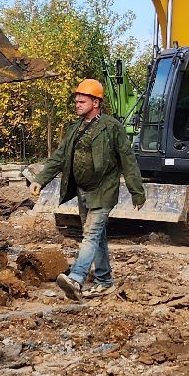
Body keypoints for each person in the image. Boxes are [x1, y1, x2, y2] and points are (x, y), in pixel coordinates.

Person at [32, 78, 147, 300]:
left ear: (96, 102)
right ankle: (104, 281)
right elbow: (59, 157)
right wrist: (41, 179)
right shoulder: (75, 128)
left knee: (91, 235)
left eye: (82, 100)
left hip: (103, 191)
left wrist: (137, 191)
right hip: (83, 191)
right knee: (98, 237)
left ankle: (76, 278)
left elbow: (128, 160)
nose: (77, 103)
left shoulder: (112, 127)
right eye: (76, 100)